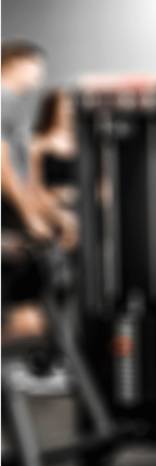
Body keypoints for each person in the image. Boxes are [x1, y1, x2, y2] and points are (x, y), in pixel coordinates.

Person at [2, 40, 72, 340]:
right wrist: (30, 216)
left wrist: (46, 214)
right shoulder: (3, 99)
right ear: (17, 62)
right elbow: (4, 165)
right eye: (36, 68)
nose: (39, 77)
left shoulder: (11, 104)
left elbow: (22, 175)